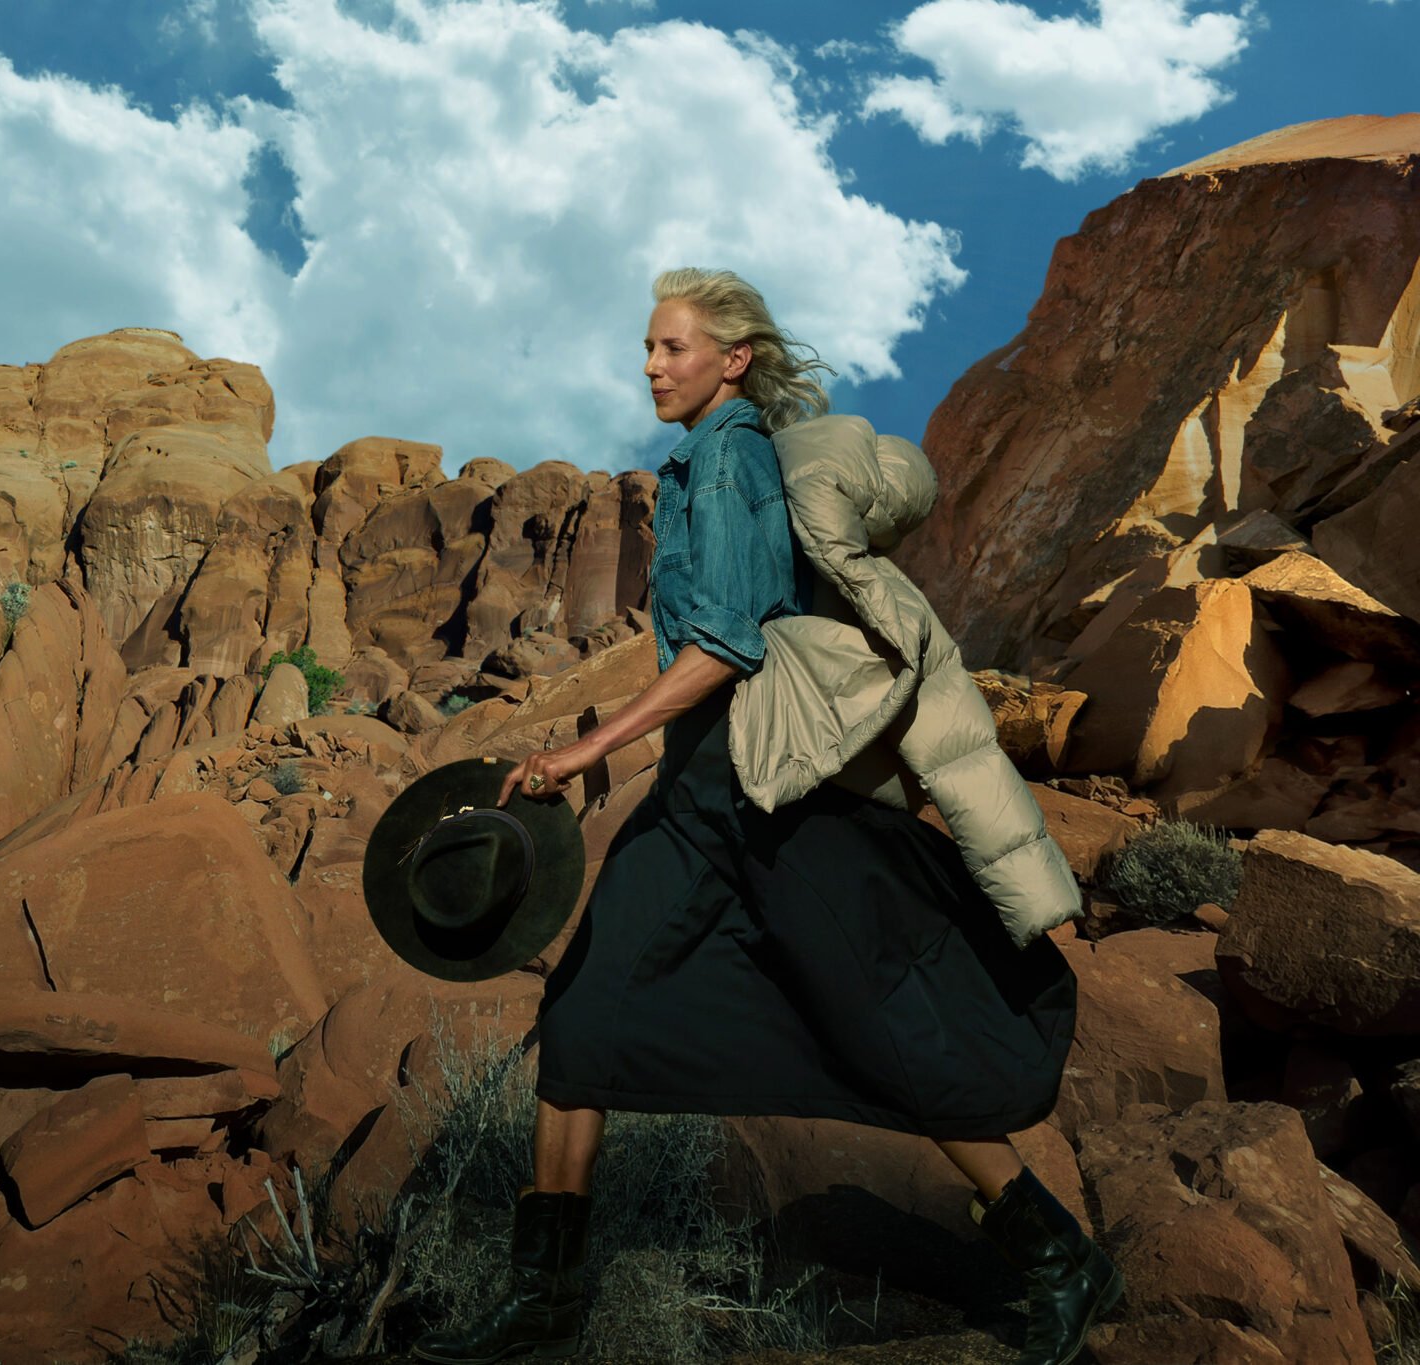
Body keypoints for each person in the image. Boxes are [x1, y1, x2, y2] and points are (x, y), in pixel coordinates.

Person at [409, 270, 1120, 1365]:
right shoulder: (692, 465)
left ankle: (1053, 1254)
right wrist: (616, 762)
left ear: (731, 359)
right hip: (695, 798)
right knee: (584, 1015)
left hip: (764, 800)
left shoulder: (731, 458)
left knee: (882, 1027)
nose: (650, 366)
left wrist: (592, 745)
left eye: (671, 348)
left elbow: (728, 644)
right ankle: (543, 1301)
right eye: (645, 348)